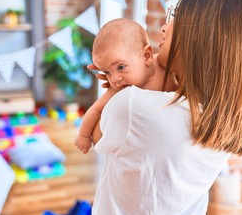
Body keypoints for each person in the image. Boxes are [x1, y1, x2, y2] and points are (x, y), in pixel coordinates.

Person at [90, 0, 242, 215]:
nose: (164, 26)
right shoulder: (223, 118)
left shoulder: (132, 105)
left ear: (200, 36)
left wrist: (114, 93)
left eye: (175, 16)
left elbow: (98, 137)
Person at [75, 18, 177, 154]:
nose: (114, 79)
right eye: (107, 72)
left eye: (121, 67)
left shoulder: (167, 68)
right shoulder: (119, 89)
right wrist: (83, 136)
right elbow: (95, 110)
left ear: (147, 56)